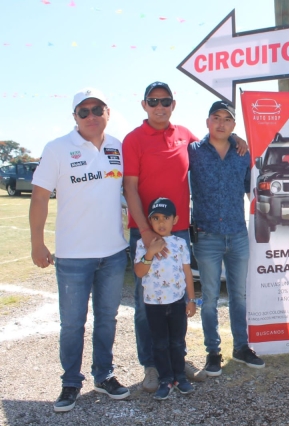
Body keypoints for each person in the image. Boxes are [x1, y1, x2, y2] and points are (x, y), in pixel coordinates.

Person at [123, 82, 247, 390]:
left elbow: (214, 140)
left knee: (177, 297)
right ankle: (152, 365)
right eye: (153, 101)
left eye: (165, 101)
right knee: (146, 301)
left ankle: (177, 362)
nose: (159, 106)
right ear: (144, 105)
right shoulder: (133, 139)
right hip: (145, 229)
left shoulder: (184, 136)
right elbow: (129, 188)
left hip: (178, 228)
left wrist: (235, 137)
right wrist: (148, 232)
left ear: (173, 104)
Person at [30, 88, 130, 412]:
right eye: (83, 111)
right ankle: (71, 382)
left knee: (107, 319)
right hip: (73, 255)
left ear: (108, 112)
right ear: (74, 117)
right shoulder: (57, 148)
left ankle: (104, 375)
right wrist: (36, 242)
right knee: (73, 324)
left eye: (96, 109)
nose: (90, 116)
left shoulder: (118, 146)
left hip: (114, 252)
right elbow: (40, 197)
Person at [189, 101, 264, 375]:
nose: (221, 123)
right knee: (209, 298)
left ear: (234, 125)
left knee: (239, 296)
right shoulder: (194, 152)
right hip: (207, 236)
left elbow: (250, 191)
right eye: (216, 118)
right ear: (208, 121)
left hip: (237, 235)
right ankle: (213, 352)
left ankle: (242, 347)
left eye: (227, 120)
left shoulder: (242, 154)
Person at [134, 197, 197, 400]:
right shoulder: (143, 244)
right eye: (156, 218)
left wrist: (191, 299)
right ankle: (165, 379)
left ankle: (180, 377)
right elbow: (139, 272)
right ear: (150, 221)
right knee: (160, 343)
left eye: (166, 218)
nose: (161, 223)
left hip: (177, 302)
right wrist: (150, 253)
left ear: (175, 219)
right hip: (154, 304)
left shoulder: (179, 244)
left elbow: (187, 272)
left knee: (177, 341)